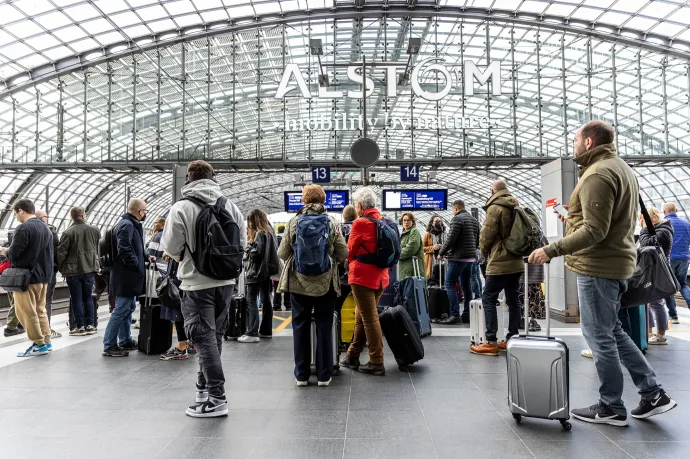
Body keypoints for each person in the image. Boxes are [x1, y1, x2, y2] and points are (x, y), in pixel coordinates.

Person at [529, 120, 676, 426]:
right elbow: (604, 221)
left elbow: (595, 231)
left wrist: (551, 250)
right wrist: (574, 216)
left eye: (574, 140)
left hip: (598, 267)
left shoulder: (597, 173)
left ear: (588, 142)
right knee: (612, 332)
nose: (572, 146)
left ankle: (611, 405)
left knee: (599, 336)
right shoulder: (619, 167)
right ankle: (652, 393)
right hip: (616, 263)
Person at [161, 159, 246, 418]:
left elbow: (172, 248)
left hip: (197, 284)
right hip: (226, 283)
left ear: (189, 178)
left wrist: (184, 257)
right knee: (212, 337)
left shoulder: (181, 208)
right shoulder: (231, 206)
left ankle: (217, 398)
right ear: (213, 177)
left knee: (202, 338)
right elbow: (242, 243)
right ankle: (203, 389)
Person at [277, 184, 348, 386]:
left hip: (299, 283)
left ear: (304, 201)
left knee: (300, 327)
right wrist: (330, 258)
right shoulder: (331, 222)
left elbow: (282, 253)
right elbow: (343, 253)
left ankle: (301, 375)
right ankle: (324, 375)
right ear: (323, 200)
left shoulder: (293, 221)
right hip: (325, 282)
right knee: (324, 327)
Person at [339, 187, 389, 376]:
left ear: (359, 206)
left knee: (369, 319)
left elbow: (348, 252)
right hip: (381, 277)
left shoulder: (360, 223)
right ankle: (352, 355)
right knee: (362, 316)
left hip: (362, 278)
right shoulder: (383, 220)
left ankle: (377, 361)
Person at [471, 180, 523, 355]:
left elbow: (486, 235)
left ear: (492, 190)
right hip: (516, 260)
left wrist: (485, 253)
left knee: (488, 297)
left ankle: (491, 341)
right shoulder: (516, 205)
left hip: (500, 260)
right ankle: (512, 338)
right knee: (513, 300)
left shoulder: (495, 207)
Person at [0, 199, 54, 357]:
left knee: (25, 312)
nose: (16, 216)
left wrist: (4, 251)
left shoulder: (24, 228)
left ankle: (39, 343)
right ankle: (47, 340)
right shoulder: (46, 229)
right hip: (43, 277)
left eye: (15, 213)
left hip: (27, 278)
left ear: (21, 211)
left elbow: (14, 253)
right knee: (40, 311)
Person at [102, 198, 148, 357]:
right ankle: (109, 345)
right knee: (120, 310)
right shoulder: (127, 225)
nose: (145, 214)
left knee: (128, 308)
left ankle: (125, 339)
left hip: (128, 275)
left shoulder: (130, 224)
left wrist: (146, 257)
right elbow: (125, 250)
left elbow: (135, 248)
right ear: (139, 211)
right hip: (126, 276)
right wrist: (136, 265)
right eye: (145, 211)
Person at [57, 206, 101, 336]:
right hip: (90, 269)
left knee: (76, 299)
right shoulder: (95, 230)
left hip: (73, 271)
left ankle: (79, 326)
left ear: (72, 217)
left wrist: (62, 267)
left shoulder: (68, 232)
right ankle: (90, 325)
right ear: (83, 216)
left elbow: (61, 253)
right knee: (88, 297)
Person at [239, 209, 278, 343]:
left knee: (251, 300)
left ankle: (252, 332)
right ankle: (266, 330)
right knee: (266, 300)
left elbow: (256, 254)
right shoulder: (270, 232)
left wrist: (248, 247)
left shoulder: (260, 234)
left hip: (255, 272)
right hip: (266, 272)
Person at [439, 199, 481, 325]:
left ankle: (455, 314)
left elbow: (451, 238)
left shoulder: (457, 219)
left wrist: (441, 252)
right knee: (466, 285)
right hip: (470, 258)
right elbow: (477, 240)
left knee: (449, 283)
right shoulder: (474, 220)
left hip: (458, 257)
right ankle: (467, 314)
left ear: (456, 209)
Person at [639, 207, 674, 345]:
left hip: (657, 271)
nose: (640, 221)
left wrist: (644, 229)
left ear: (650, 217)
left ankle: (661, 335)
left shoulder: (663, 231)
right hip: (653, 269)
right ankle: (650, 332)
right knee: (649, 302)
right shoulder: (661, 230)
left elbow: (646, 244)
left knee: (656, 303)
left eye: (642, 218)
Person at [35, 209, 61, 339]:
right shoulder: (50, 230)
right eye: (46, 216)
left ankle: (37, 329)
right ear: (42, 217)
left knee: (35, 301)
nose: (48, 217)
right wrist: (58, 266)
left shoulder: (29, 228)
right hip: (49, 269)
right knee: (47, 300)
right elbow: (57, 250)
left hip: (34, 271)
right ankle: (47, 329)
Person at [663, 202, 690, 324]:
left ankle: (673, 316)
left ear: (664, 212)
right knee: (683, 284)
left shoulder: (664, 224)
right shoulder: (686, 223)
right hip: (684, 258)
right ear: (676, 210)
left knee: (669, 287)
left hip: (669, 259)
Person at [333, 205, 357, 317]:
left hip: (342, 276)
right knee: (364, 307)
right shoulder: (360, 227)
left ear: (344, 216)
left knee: (336, 307)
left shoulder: (339, 228)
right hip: (359, 274)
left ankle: (336, 332)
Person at [398, 213, 425, 280]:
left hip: (414, 268)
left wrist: (398, 254)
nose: (406, 222)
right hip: (406, 267)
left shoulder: (414, 231)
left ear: (412, 222)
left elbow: (411, 248)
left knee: (413, 287)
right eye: (404, 220)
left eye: (408, 220)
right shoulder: (404, 233)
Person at [272, 224, 289, 311]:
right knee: (287, 286)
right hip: (287, 265)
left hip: (277, 266)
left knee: (277, 287)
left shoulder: (275, 239)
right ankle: (288, 304)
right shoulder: (286, 239)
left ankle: (276, 305)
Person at [422, 215, 446, 279]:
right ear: (432, 223)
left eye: (439, 221)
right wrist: (433, 248)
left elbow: (449, 245)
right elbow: (422, 248)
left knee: (443, 277)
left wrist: (441, 246)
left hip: (443, 260)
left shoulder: (445, 233)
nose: (438, 222)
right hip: (431, 260)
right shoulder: (428, 234)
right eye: (436, 221)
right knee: (432, 278)